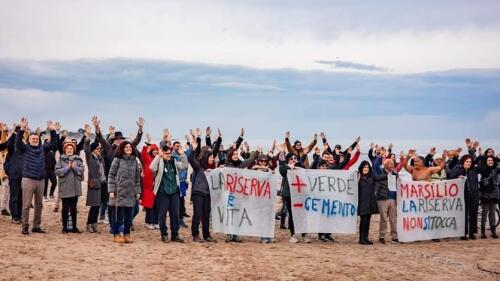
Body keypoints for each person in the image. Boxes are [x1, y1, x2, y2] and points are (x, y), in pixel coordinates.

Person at [16, 118, 59, 235]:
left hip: (41, 179)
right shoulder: (25, 148)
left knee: (39, 205)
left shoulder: (42, 148)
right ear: (29, 140)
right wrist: (21, 130)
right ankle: (25, 226)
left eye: (36, 139)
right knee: (26, 204)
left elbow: (54, 143)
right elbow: (18, 143)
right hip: (28, 179)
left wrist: (52, 131)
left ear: (39, 140)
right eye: (32, 139)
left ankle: (36, 226)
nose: (35, 140)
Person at [150, 145, 188, 243]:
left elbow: (185, 165)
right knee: (162, 215)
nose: (169, 155)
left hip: (174, 191)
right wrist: (158, 156)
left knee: (175, 214)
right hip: (162, 192)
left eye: (170, 153)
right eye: (166, 153)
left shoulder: (174, 162)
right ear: (162, 153)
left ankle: (175, 235)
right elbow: (152, 168)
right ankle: (164, 235)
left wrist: (182, 154)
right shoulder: (159, 161)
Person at [223, 144, 260, 243]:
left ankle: (236, 234)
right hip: (229, 193)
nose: (235, 156)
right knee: (230, 213)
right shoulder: (227, 165)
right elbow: (243, 165)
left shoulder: (239, 163)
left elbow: (246, 163)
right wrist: (255, 154)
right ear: (230, 156)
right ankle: (229, 234)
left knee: (237, 213)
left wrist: (256, 153)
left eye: (236, 154)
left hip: (238, 193)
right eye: (234, 154)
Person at [107, 141, 142, 243]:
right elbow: (111, 175)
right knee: (118, 215)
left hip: (130, 192)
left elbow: (137, 178)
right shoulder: (117, 159)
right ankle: (116, 234)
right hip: (118, 192)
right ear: (122, 148)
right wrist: (111, 190)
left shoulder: (134, 161)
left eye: (130, 147)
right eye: (126, 147)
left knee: (128, 216)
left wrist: (138, 191)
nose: (128, 149)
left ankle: (127, 234)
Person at [187, 129, 217, 243]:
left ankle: (207, 235)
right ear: (206, 157)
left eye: (213, 158)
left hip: (208, 194)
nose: (212, 159)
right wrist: (193, 148)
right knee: (197, 214)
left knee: (206, 215)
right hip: (198, 193)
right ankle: (195, 235)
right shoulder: (198, 166)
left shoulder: (214, 169)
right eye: (210, 157)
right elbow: (190, 159)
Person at [278, 144, 310, 243]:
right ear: (288, 160)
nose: (293, 159)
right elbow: (282, 168)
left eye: (295, 158)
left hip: (301, 195)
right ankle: (293, 235)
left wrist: (304, 155)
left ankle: (304, 235)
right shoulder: (285, 169)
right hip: (289, 195)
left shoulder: (300, 168)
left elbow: (303, 165)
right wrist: (282, 152)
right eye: (291, 158)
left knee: (303, 215)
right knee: (292, 215)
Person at [448, 154, 479, 240]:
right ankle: (463, 233)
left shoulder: (473, 170)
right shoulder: (458, 169)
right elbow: (450, 177)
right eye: (467, 161)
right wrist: (457, 177)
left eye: (470, 162)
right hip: (463, 196)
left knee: (473, 214)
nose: (469, 163)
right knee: (463, 215)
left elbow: (482, 164)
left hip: (474, 195)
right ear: (463, 162)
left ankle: (472, 233)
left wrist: (472, 151)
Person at [55, 142, 84, 234]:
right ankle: (64, 228)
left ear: (74, 150)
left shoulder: (78, 159)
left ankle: (74, 227)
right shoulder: (61, 160)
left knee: (74, 208)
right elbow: (57, 171)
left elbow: (82, 170)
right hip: (65, 187)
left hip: (75, 187)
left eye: (71, 149)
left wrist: (74, 168)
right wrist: (67, 168)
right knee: (65, 208)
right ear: (65, 150)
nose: (69, 150)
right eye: (67, 149)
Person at [83, 124, 105, 233]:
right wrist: (87, 135)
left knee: (98, 206)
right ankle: (89, 224)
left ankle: (94, 224)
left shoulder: (100, 159)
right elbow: (86, 149)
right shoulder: (90, 158)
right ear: (93, 150)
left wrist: (98, 130)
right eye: (97, 149)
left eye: (100, 148)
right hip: (93, 184)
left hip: (100, 184)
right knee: (94, 206)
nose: (99, 150)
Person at [373, 158, 399, 243]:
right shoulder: (380, 172)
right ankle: (382, 236)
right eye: (391, 164)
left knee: (393, 218)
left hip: (393, 198)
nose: (393, 165)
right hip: (382, 198)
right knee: (383, 218)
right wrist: (379, 156)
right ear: (386, 165)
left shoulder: (395, 174)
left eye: (393, 163)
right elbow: (375, 165)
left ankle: (394, 236)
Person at [357, 161, 380, 245]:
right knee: (363, 220)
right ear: (361, 168)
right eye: (364, 167)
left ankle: (366, 238)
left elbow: (380, 177)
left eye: (367, 167)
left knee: (368, 220)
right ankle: (361, 239)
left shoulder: (372, 176)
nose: (366, 169)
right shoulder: (358, 177)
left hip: (370, 202)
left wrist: (389, 174)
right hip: (362, 202)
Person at [141, 134, 159, 230]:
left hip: (157, 186)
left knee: (157, 205)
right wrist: (147, 144)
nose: (155, 151)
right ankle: (148, 222)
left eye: (157, 150)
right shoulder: (147, 158)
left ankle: (156, 222)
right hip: (148, 186)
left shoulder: (159, 160)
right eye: (154, 150)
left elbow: (168, 153)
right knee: (149, 205)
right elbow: (143, 153)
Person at [477, 156, 499, 239]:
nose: (490, 161)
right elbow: (475, 166)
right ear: (486, 161)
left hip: (493, 193)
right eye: (488, 160)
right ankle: (483, 232)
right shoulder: (482, 168)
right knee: (484, 213)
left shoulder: (496, 169)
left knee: (492, 213)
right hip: (484, 193)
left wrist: (498, 159)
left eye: (491, 160)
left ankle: (493, 231)